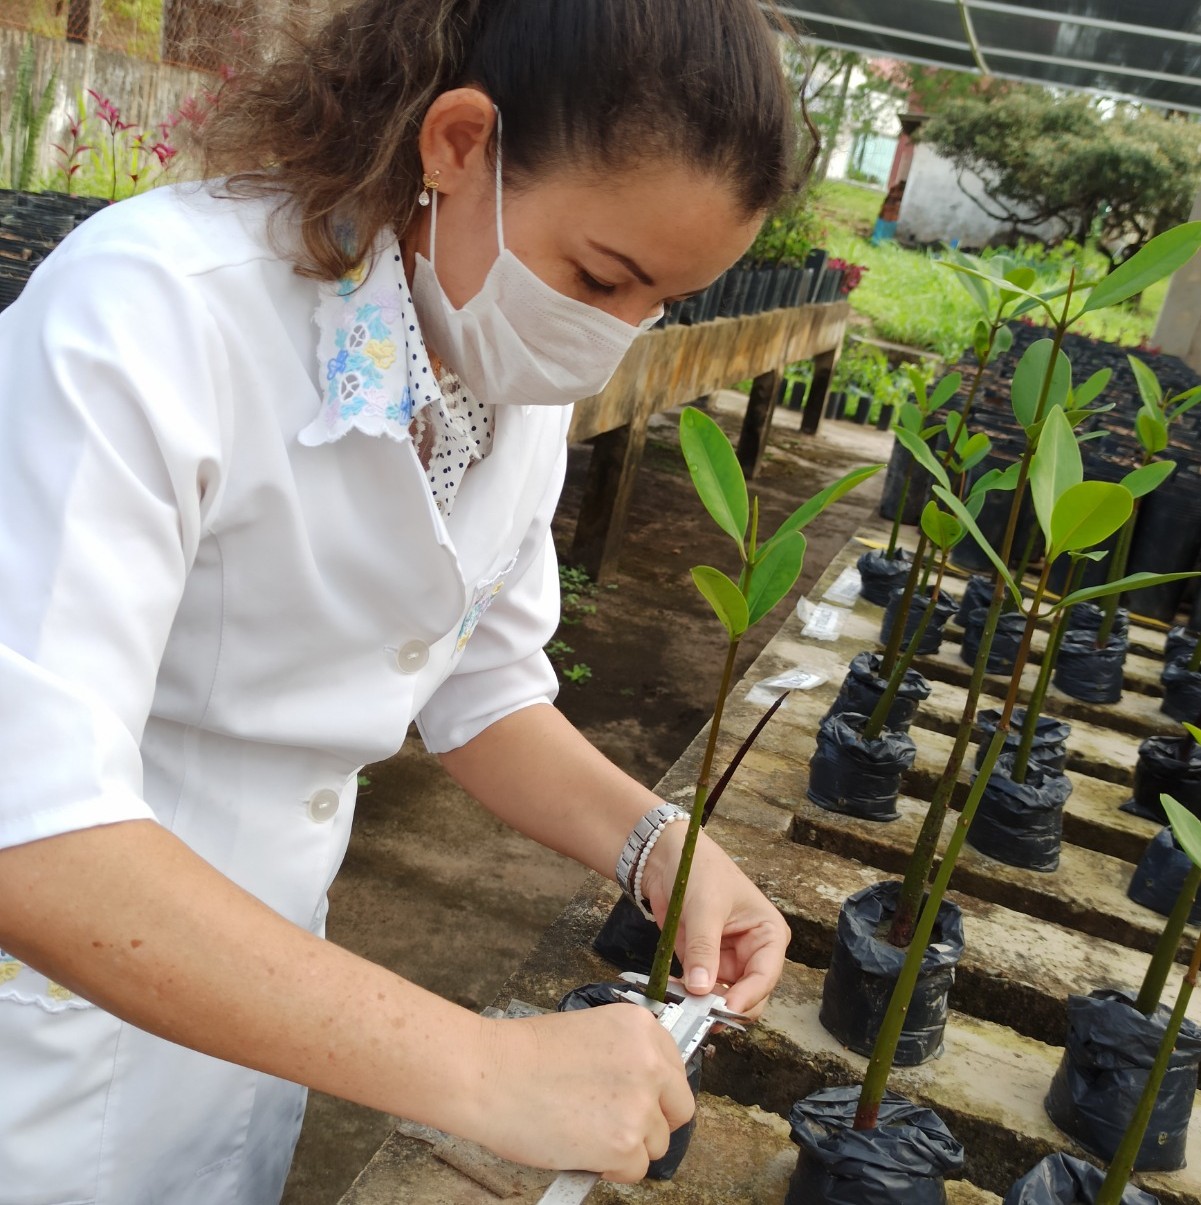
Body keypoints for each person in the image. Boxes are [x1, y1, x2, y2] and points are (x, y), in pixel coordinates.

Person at [0, 1, 800, 1200]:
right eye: (601, 278)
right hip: (54, 1019)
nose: (611, 340)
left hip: (262, 1012)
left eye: (658, 305)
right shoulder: (154, 313)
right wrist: (481, 1067)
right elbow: (31, 822)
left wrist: (657, 843)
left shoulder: (493, 371)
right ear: (459, 144)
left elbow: (478, 684)